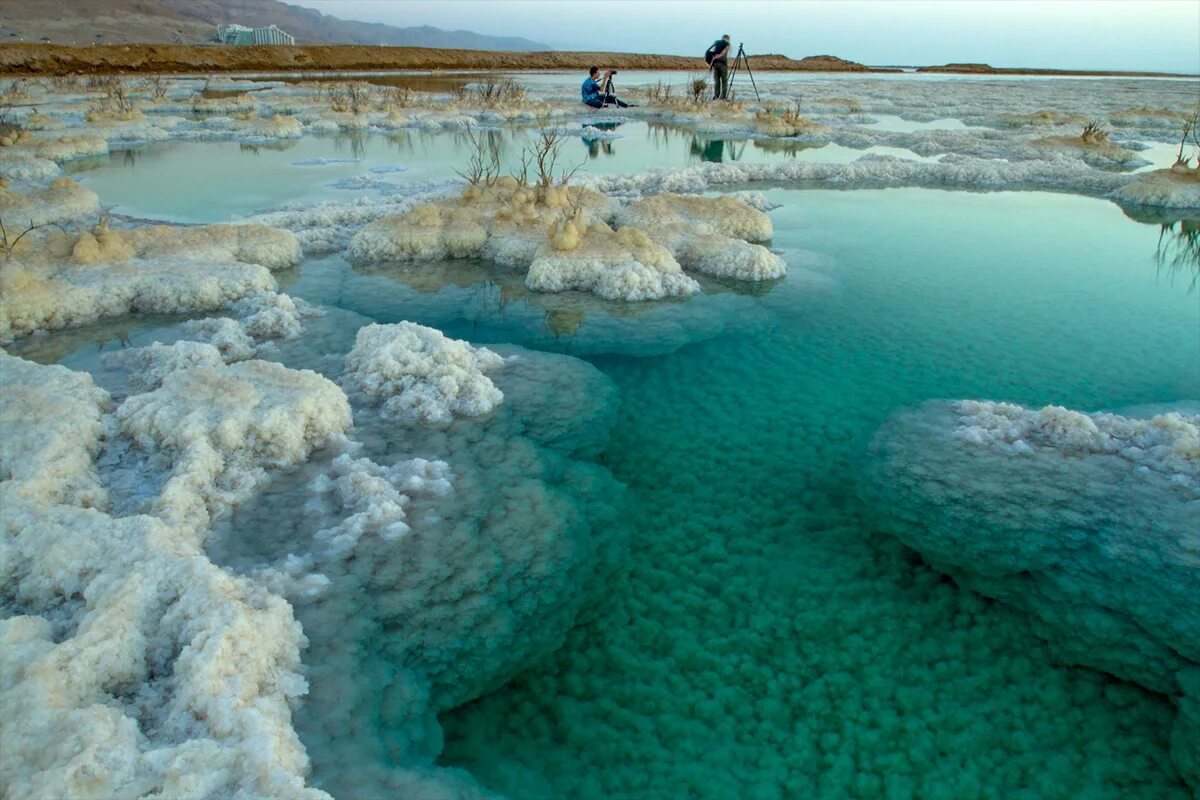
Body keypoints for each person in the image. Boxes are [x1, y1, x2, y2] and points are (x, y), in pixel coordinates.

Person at [707, 35, 731, 100]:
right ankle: (723, 97)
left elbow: (712, 54)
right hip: (722, 65)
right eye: (729, 39)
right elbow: (723, 54)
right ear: (727, 39)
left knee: (716, 81)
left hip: (715, 65)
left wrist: (711, 65)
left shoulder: (717, 43)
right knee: (724, 81)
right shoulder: (727, 44)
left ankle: (716, 96)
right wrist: (719, 58)